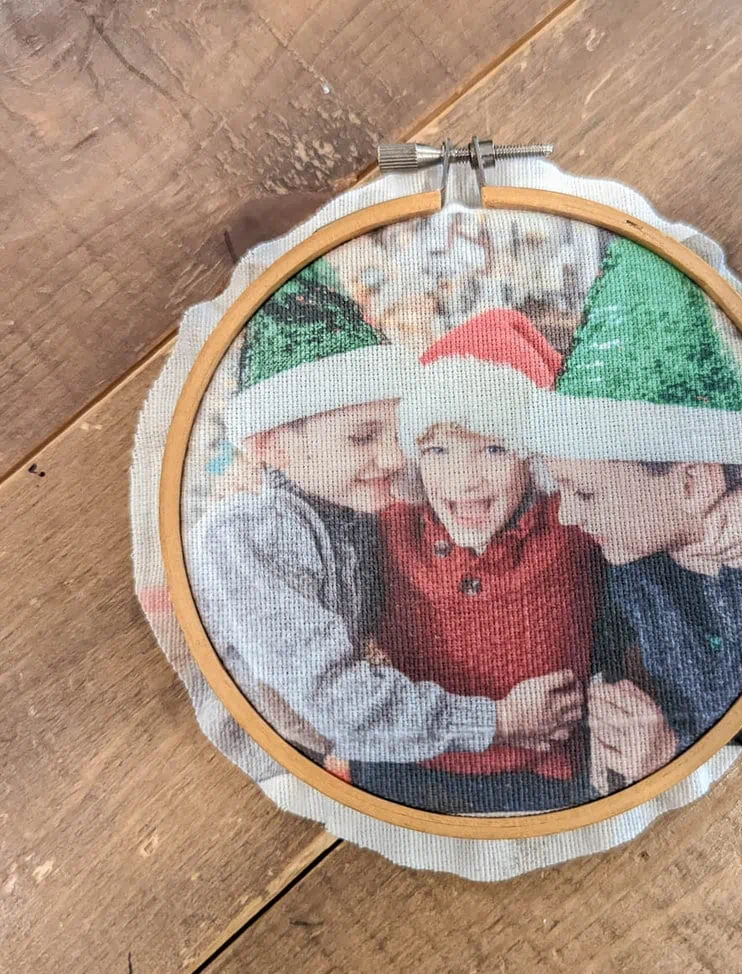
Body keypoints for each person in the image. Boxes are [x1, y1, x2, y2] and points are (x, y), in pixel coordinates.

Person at [190, 261, 573, 771]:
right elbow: (337, 701)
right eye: (363, 437)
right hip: (263, 774)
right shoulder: (244, 539)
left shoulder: (357, 508)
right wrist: (496, 721)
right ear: (273, 445)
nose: (395, 458)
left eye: (396, 433)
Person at [526, 236, 742, 791]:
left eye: (587, 494)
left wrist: (668, 754)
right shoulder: (631, 560)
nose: (567, 515)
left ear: (691, 480)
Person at [350, 309, 598, 814]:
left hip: (539, 780)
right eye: (438, 450)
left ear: (532, 455)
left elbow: (651, 478)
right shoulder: (390, 524)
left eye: (492, 449)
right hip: (405, 770)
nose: (464, 482)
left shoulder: (574, 520)